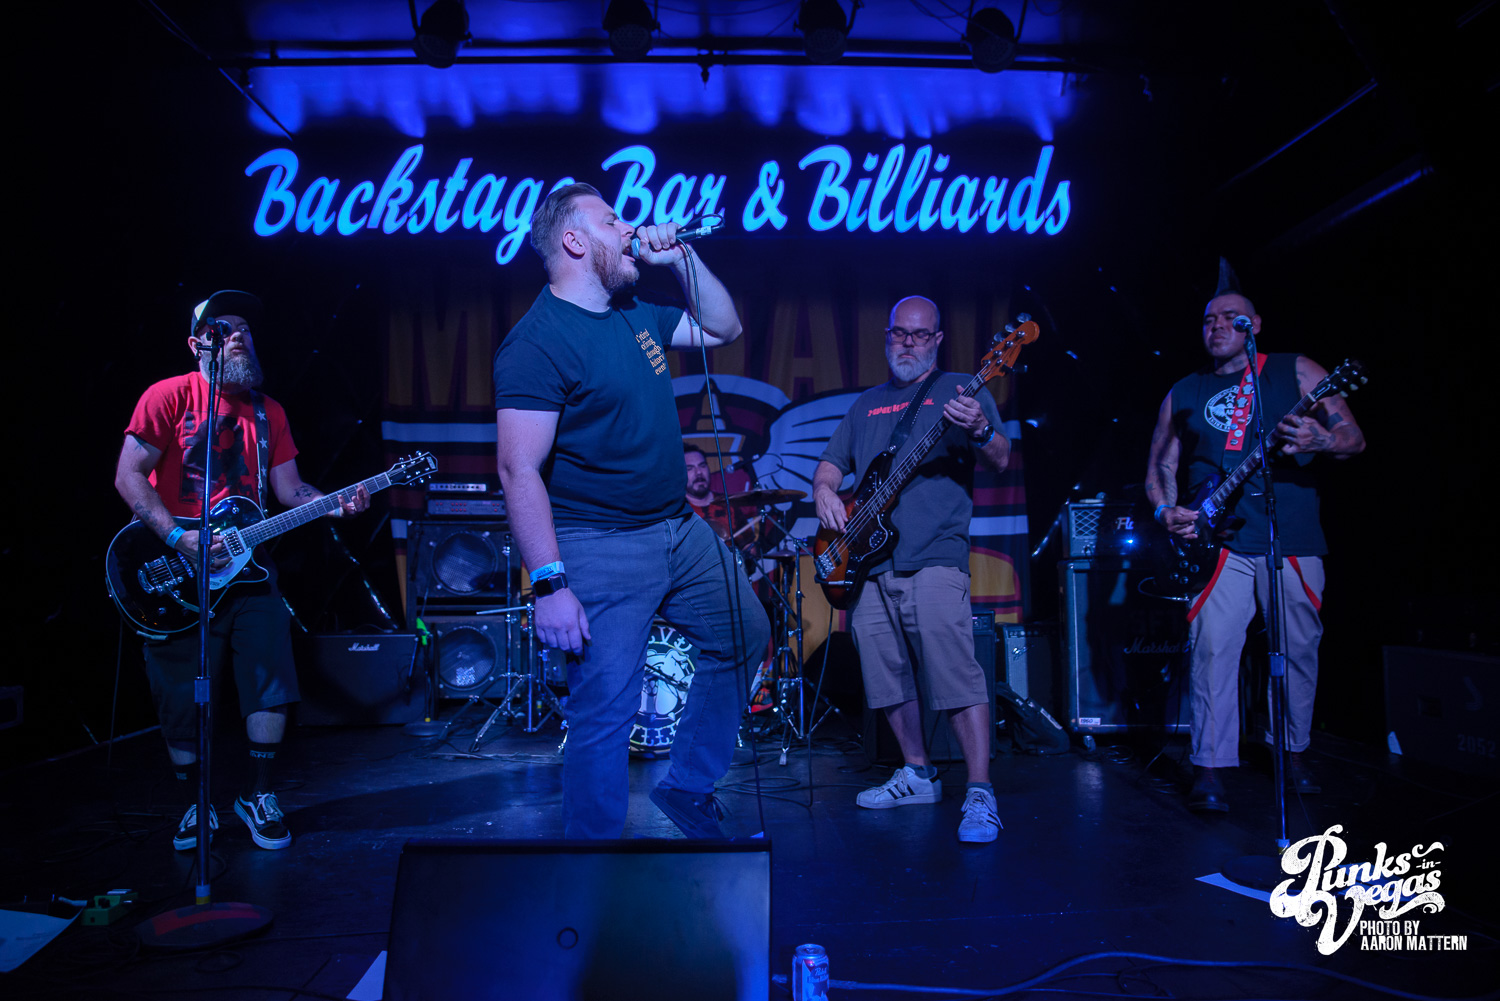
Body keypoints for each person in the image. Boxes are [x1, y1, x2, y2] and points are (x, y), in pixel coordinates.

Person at [494, 183, 771, 840]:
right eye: (612, 219)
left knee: (745, 632)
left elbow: (724, 328)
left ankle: (688, 786)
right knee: (605, 714)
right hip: (599, 543)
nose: (629, 228)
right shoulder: (537, 342)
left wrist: (681, 258)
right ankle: (592, 875)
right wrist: (550, 584)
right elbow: (517, 469)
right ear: (573, 240)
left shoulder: (635, 309)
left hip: (678, 529)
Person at [114, 290, 369, 851]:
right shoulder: (167, 397)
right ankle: (195, 804)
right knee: (179, 695)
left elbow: (290, 491)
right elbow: (128, 477)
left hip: (250, 571)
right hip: (175, 568)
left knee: (269, 681)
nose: (238, 336)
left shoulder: (268, 412)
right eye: (223, 329)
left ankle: (258, 794)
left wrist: (336, 502)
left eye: (245, 329)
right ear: (196, 344)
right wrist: (178, 538)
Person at [1145, 267, 1365, 813]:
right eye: (1208, 320)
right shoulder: (1184, 390)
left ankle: (1291, 749)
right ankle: (1210, 765)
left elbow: (1352, 437)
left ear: (1255, 324)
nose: (1217, 326)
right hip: (1215, 541)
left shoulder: (1296, 370)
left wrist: (1320, 438)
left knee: (1297, 648)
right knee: (1213, 650)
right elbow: (1160, 466)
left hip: (1290, 535)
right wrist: (1166, 510)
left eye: (1231, 318)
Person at [811, 295, 1010, 844]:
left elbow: (1000, 457)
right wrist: (824, 489)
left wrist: (980, 429)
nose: (908, 343)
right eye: (900, 333)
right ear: (887, 336)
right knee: (886, 676)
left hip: (934, 556)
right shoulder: (867, 404)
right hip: (869, 564)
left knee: (955, 674)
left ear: (938, 340)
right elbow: (831, 464)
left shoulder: (962, 388)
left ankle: (980, 791)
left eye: (920, 334)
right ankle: (917, 773)